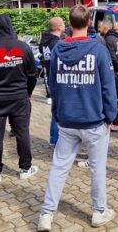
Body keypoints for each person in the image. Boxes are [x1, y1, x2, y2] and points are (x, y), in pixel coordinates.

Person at [38, 5, 117, 231]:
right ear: (89, 20)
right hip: (93, 121)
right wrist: (110, 117)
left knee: (59, 167)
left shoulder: (58, 50)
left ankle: (46, 214)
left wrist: (57, 114)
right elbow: (108, 88)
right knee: (97, 168)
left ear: (69, 23)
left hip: (67, 120)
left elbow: (52, 86)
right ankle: (99, 211)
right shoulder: (98, 50)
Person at [0, 14, 38, 183]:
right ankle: (25, 168)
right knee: (22, 132)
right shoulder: (23, 47)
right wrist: (29, 91)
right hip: (19, 98)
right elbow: (32, 74)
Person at [39, 17, 66, 146]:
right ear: (59, 27)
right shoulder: (57, 43)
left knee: (56, 109)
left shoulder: (44, 40)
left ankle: (54, 138)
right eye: (63, 23)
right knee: (59, 110)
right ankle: (56, 139)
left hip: (49, 76)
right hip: (58, 78)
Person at [99, 20, 118, 131]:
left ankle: (114, 123)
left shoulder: (108, 39)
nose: (99, 28)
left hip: (114, 72)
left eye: (100, 26)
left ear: (106, 27)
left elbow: (111, 57)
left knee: (113, 97)